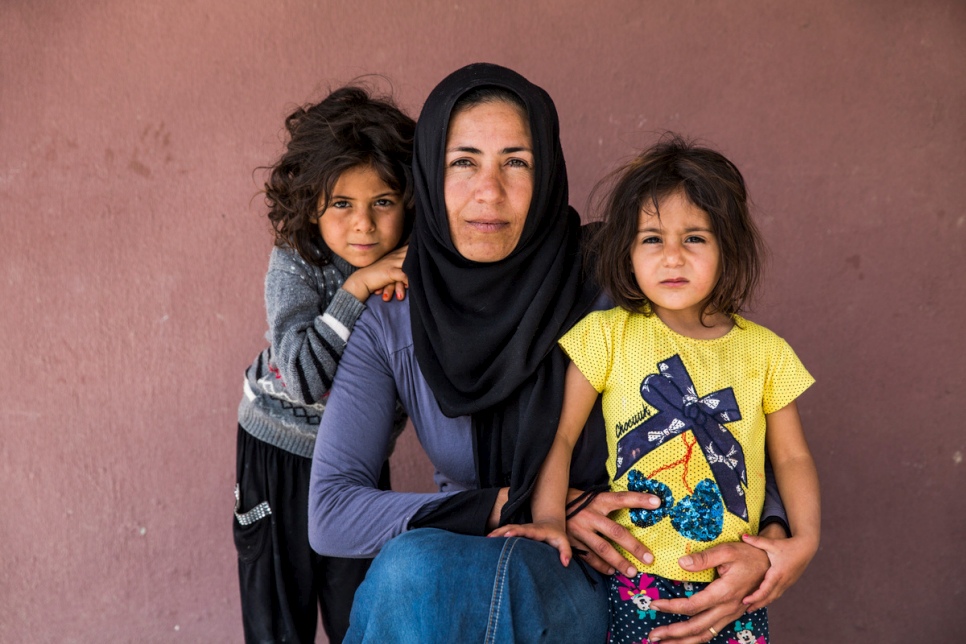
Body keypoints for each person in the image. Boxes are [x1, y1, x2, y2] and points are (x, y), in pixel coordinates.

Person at [309, 64, 799, 644]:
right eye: (462, 162)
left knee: (433, 575)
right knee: (417, 570)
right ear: (429, 180)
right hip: (444, 584)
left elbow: (732, 401)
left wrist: (767, 547)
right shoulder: (394, 314)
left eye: (516, 162)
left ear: (546, 175)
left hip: (610, 579)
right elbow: (332, 512)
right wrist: (517, 506)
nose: (488, 191)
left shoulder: (617, 278)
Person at [491, 136, 821, 643]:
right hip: (633, 579)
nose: (672, 257)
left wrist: (805, 540)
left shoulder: (767, 353)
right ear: (625, 251)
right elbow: (559, 439)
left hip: (733, 583)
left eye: (694, 238)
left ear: (727, 249)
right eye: (651, 239)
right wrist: (551, 521)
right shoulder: (608, 334)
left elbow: (793, 459)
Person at [233, 85, 414, 644]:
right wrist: (356, 289)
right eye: (342, 204)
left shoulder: (415, 267)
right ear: (310, 201)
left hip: (357, 466)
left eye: (382, 201)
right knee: (278, 621)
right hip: (278, 455)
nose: (363, 224)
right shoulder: (296, 263)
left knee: (358, 617)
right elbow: (307, 380)